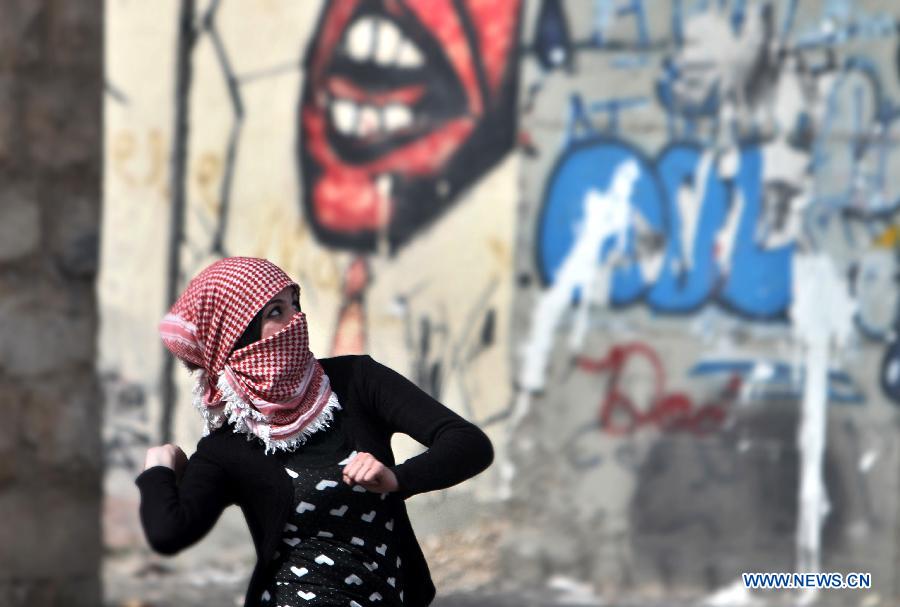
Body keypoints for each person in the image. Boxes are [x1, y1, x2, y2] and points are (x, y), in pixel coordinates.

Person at [135, 257, 494, 607]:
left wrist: (397, 478)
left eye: (295, 304)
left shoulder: (357, 381)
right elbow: (169, 531)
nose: (297, 319)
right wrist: (159, 468)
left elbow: (468, 443)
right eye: (276, 312)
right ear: (236, 336)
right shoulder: (229, 444)